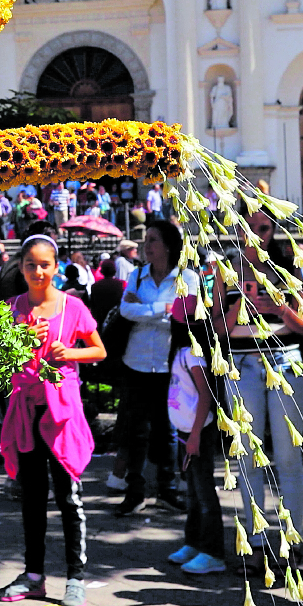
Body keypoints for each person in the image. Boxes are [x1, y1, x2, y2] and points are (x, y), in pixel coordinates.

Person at [0, 234, 106, 606]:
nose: (38, 271)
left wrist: (70, 351)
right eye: (31, 264)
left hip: (62, 417)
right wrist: (19, 337)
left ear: (56, 267)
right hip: (26, 413)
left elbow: (100, 349)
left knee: (68, 499)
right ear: (21, 268)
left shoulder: (72, 306)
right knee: (31, 499)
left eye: (45, 264)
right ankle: (33, 576)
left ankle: (75, 578)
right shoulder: (11, 308)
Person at [223, 198, 303, 573]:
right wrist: (239, 304)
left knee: (289, 456)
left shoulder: (289, 264)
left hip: (284, 359)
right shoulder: (226, 267)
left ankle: (291, 539)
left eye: (264, 229)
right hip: (241, 363)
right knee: (247, 455)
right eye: (249, 228)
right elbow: (218, 331)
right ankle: (257, 539)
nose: (256, 236)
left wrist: (277, 309)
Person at [113, 220, 196, 515]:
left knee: (168, 429)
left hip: (169, 364)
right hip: (136, 362)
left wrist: (146, 310)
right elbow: (126, 310)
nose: (146, 246)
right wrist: (162, 309)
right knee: (136, 430)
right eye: (145, 240)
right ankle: (135, 492)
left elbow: (185, 315)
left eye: (153, 240)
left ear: (170, 246)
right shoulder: (136, 276)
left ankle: (167, 488)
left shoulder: (187, 278)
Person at [165, 296, 228, 574]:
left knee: (203, 492)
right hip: (185, 430)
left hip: (197, 431)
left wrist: (194, 436)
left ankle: (213, 551)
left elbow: (206, 397)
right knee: (191, 491)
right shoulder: (182, 350)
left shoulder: (194, 353)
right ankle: (193, 542)